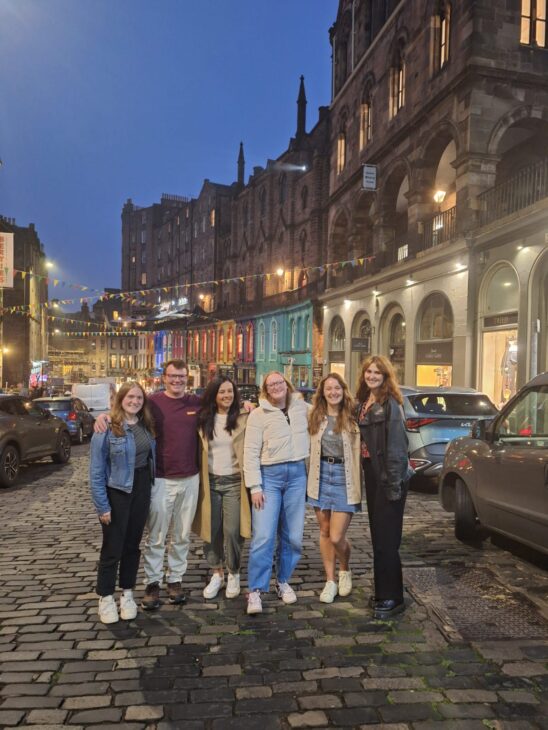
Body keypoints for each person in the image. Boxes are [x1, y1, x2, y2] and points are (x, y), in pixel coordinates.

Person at [95, 360, 201, 609]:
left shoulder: (195, 403)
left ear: (188, 378)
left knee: (182, 535)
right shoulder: (151, 402)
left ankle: (175, 579)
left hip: (190, 477)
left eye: (182, 376)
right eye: (173, 376)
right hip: (160, 479)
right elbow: (126, 412)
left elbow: (224, 405)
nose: (177, 380)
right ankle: (153, 583)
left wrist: (249, 404)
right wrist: (104, 416)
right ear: (164, 377)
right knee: (157, 535)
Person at [243, 371, 310, 615]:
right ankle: (256, 590)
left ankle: (283, 581)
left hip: (296, 475)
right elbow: (250, 452)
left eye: (280, 382)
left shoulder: (301, 407)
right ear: (265, 390)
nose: (276, 387)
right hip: (269, 476)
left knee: (293, 535)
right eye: (271, 384)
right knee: (263, 536)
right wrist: (255, 486)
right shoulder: (258, 415)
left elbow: (326, 414)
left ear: (287, 384)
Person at [89, 381, 156, 624]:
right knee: (112, 547)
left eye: (139, 398)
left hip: (141, 488)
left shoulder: (145, 425)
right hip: (117, 490)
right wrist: (102, 506)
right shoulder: (106, 427)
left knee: (132, 545)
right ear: (121, 399)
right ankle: (105, 597)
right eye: (130, 397)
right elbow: (96, 471)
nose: (135, 402)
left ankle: (127, 592)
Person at [356, 355, 413, 619]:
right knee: (378, 538)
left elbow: (397, 450)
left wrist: (393, 485)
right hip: (372, 474)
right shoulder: (364, 401)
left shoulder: (391, 404)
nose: (372, 376)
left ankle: (393, 597)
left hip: (388, 477)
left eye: (377, 372)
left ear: (386, 376)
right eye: (369, 371)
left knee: (388, 541)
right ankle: (383, 592)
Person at [192, 376, 251, 600]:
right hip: (210, 482)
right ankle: (217, 572)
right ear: (213, 395)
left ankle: (234, 572)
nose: (227, 396)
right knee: (211, 530)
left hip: (235, 481)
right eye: (222, 392)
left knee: (233, 531)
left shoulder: (244, 417)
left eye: (230, 391)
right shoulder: (203, 419)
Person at [307, 373, 362, 603]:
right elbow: (284, 402)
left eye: (337, 388)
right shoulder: (313, 415)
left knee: (337, 536)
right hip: (319, 476)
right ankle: (330, 581)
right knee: (324, 531)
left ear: (343, 390)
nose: (333, 392)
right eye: (328, 388)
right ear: (322, 392)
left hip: (343, 476)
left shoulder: (354, 414)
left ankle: (344, 569)